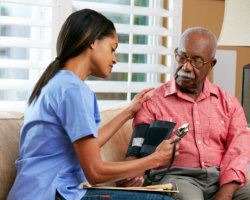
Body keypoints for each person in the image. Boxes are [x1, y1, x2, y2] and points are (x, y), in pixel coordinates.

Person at [7, 9, 179, 200]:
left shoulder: (51, 83)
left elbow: (89, 144)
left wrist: (129, 112)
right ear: (93, 41)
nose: (114, 59)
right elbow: (95, 173)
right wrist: (154, 159)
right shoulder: (74, 90)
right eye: (112, 49)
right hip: (53, 194)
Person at [123, 27, 250, 200]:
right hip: (178, 178)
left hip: (221, 178)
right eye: (182, 58)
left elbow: (239, 151)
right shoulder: (153, 101)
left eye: (196, 62)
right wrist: (129, 174)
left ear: (211, 64)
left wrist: (226, 193)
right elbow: (136, 149)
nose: (186, 67)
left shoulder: (228, 103)